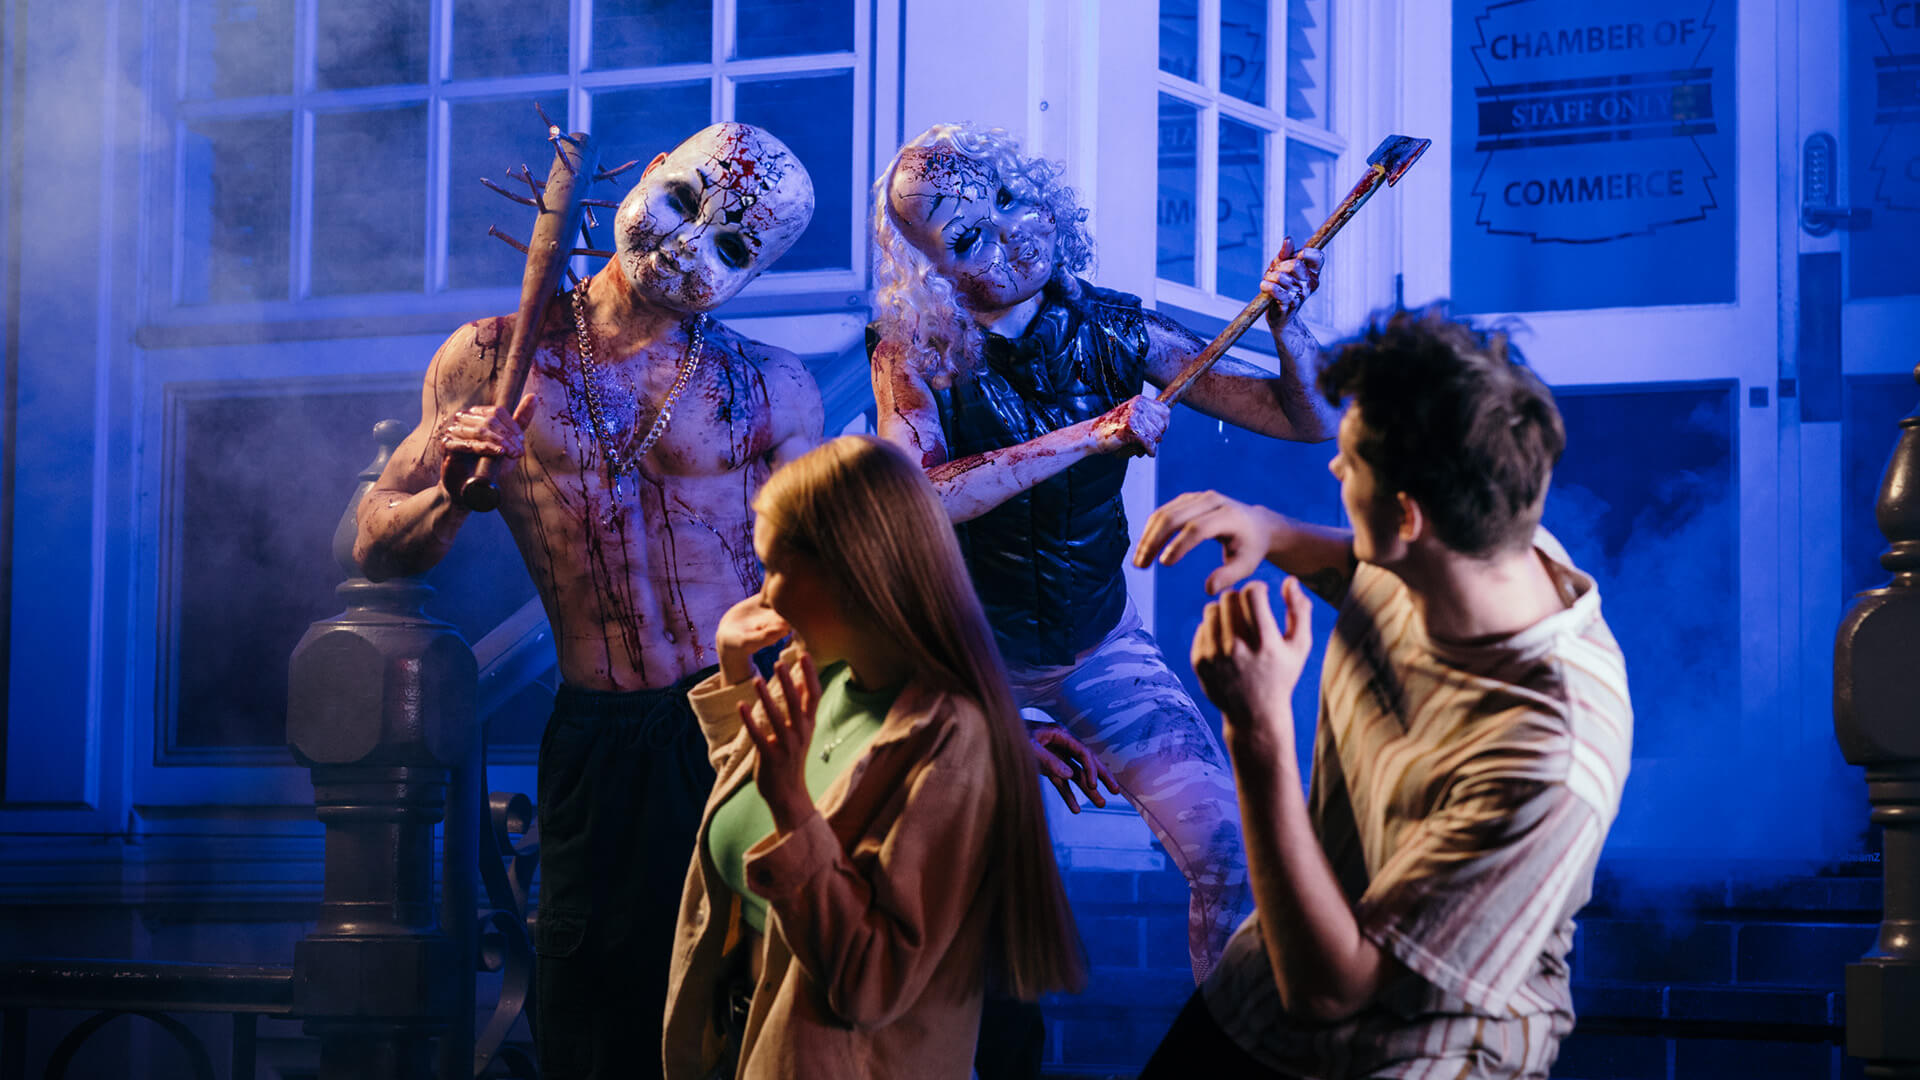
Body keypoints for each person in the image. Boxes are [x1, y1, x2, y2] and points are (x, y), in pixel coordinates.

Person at [353, 122, 823, 1080]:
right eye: (685, 203)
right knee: (593, 1018)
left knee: (757, 1006)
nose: (687, 247)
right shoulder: (491, 362)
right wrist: (453, 491)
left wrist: (970, 706)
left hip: (746, 718)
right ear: (651, 174)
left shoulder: (770, 386)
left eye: (731, 248)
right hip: (596, 733)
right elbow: (369, 539)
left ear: (753, 276)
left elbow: (841, 582)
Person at [867, 121, 1341, 985]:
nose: (1010, 234)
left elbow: (1306, 419)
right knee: (937, 892)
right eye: (970, 234)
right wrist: (1092, 435)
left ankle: (1227, 1062)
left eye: (1011, 200)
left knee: (1234, 855)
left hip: (1099, 650)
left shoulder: (1124, 332)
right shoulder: (913, 354)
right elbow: (919, 499)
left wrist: (1289, 327)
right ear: (932, 267)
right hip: (963, 667)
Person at [1130, 305, 1633, 1078]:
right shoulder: (1483, 539)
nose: (1334, 468)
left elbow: (1334, 992)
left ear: (1408, 515)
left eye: (1351, 461)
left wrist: (1257, 732)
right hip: (1258, 993)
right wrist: (1267, 529)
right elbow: (1375, 569)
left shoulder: (1545, 758)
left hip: (1399, 1054)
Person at [662, 434, 1086, 1079]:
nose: (766, 595)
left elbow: (871, 984)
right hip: (746, 1045)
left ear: (855, 573)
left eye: (779, 569)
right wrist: (733, 670)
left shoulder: (952, 741)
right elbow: (748, 798)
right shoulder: (821, 668)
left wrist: (794, 811)